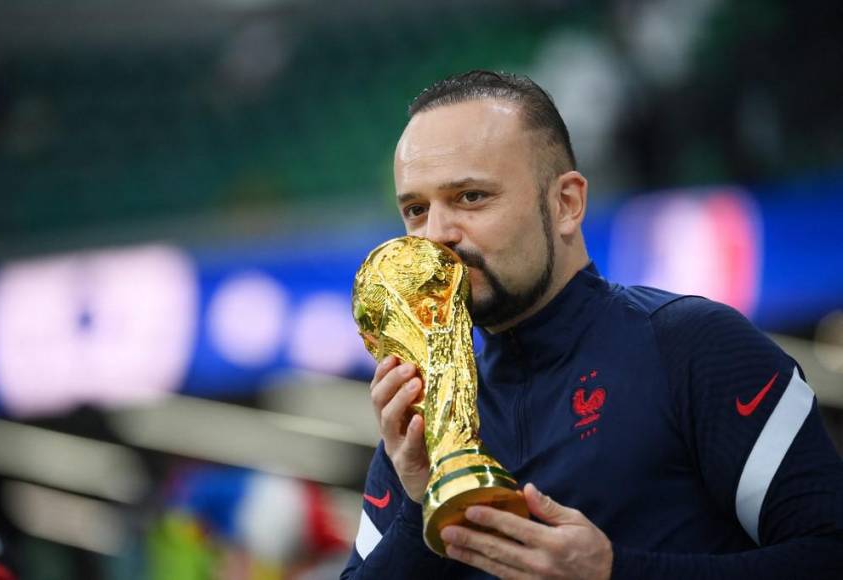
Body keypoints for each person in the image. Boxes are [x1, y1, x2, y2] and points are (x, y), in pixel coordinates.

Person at [340, 70, 843, 579]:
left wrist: (614, 572)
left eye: (471, 197)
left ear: (566, 204)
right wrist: (418, 505)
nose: (437, 235)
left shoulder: (694, 346)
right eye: (416, 210)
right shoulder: (422, 423)